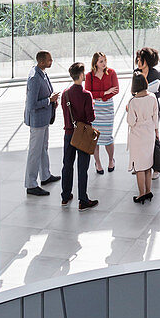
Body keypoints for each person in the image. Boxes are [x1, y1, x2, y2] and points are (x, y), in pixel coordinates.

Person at [61, 62, 99, 211]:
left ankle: (65, 196)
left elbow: (66, 115)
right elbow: (91, 117)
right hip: (82, 135)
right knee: (82, 168)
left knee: (67, 165)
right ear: (82, 75)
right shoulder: (86, 95)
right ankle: (83, 200)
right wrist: (93, 105)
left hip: (69, 134)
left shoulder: (65, 94)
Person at [23, 50, 60, 197]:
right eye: (49, 60)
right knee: (34, 152)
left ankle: (45, 175)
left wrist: (52, 102)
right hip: (37, 121)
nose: (52, 62)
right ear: (42, 61)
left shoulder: (42, 73)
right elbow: (32, 104)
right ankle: (31, 184)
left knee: (43, 148)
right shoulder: (34, 78)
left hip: (44, 118)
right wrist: (48, 101)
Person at [127, 73, 159, 204]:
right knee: (148, 165)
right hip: (149, 133)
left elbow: (131, 122)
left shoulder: (133, 102)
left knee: (139, 166)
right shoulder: (152, 97)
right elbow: (155, 118)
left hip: (137, 136)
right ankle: (148, 192)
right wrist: (156, 132)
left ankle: (141, 194)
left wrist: (127, 110)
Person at [85, 52, 119, 174]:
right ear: (95, 63)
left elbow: (116, 90)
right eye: (101, 61)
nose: (104, 63)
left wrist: (101, 95)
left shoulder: (112, 73)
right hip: (95, 108)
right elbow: (88, 93)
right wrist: (104, 93)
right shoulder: (89, 76)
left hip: (108, 107)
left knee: (108, 136)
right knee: (96, 137)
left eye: (104, 60)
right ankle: (98, 163)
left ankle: (111, 160)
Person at [134, 46, 160, 176]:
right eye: (138, 59)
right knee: (140, 138)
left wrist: (149, 93)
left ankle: (156, 168)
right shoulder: (136, 73)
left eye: (141, 60)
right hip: (139, 109)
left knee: (154, 137)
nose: (139, 62)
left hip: (152, 109)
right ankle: (141, 166)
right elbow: (133, 91)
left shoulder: (155, 74)